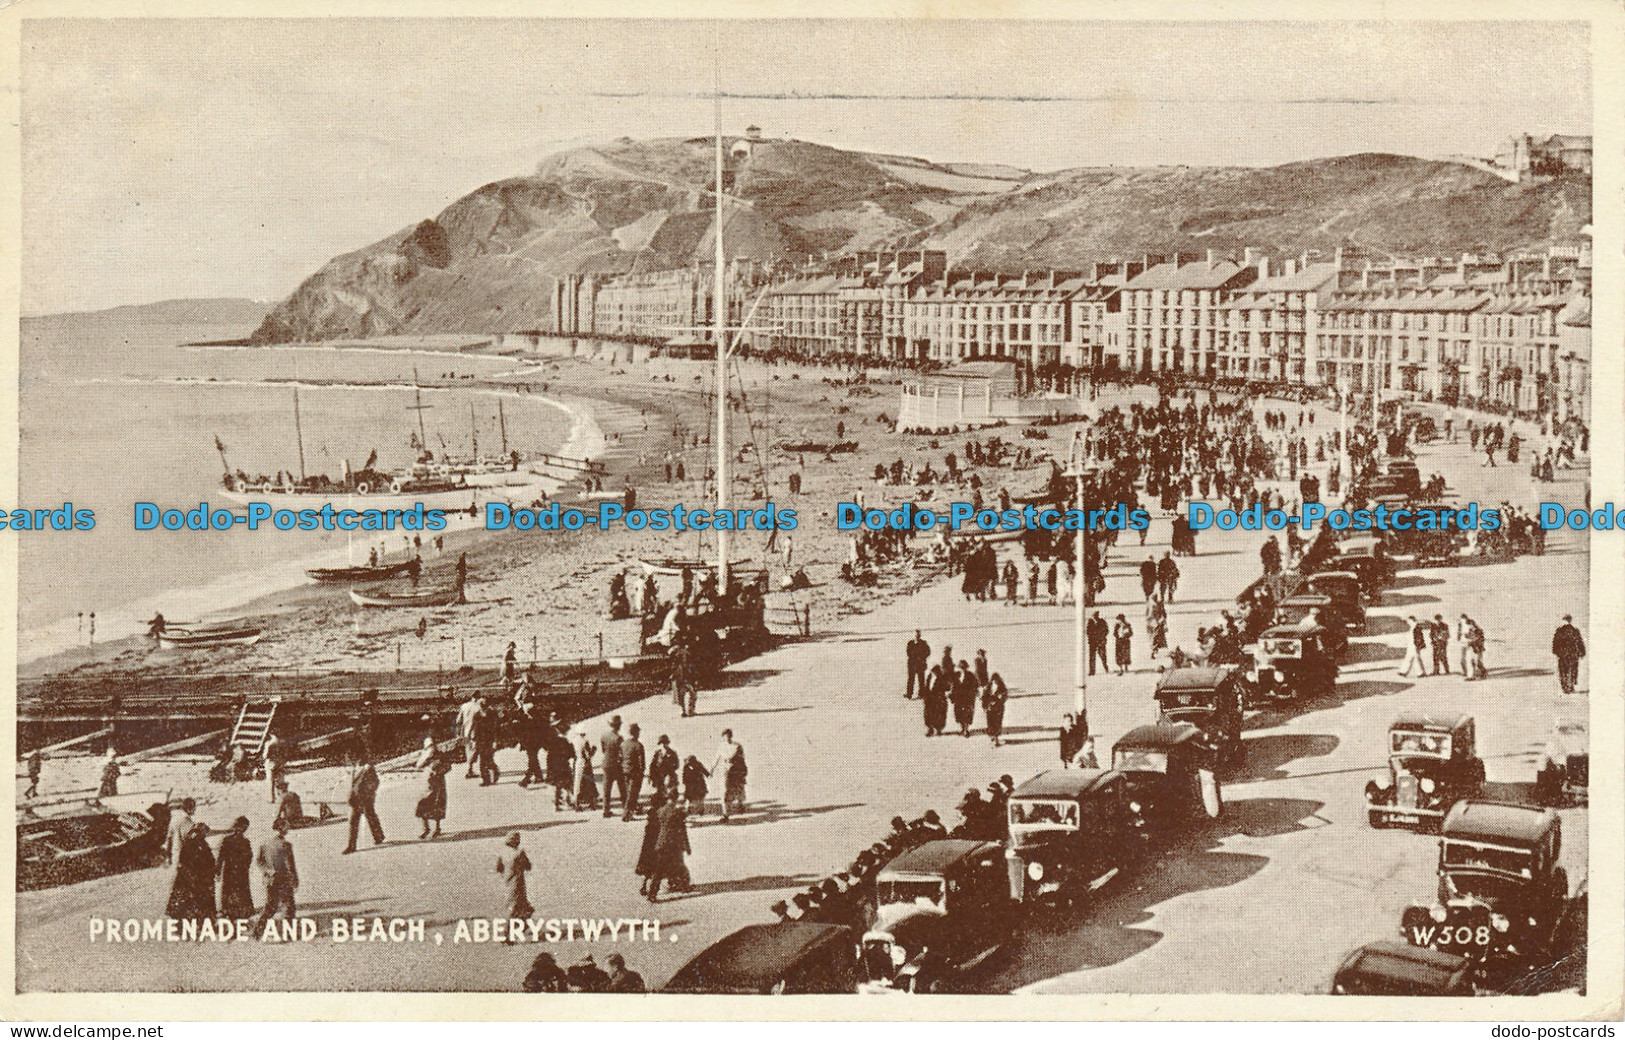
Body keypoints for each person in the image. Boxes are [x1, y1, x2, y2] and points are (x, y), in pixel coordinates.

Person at [255, 816, 298, 935]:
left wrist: (268, 871)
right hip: (283, 879)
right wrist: (294, 879)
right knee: (289, 907)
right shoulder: (286, 845)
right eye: (286, 826)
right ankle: (288, 933)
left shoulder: (265, 843)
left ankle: (258, 930)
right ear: (282, 828)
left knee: (270, 907)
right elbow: (290, 865)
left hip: (270, 880)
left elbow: (259, 861)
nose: (288, 828)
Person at [166, 820, 216, 922]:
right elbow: (184, 861)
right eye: (201, 833)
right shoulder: (192, 845)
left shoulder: (202, 845)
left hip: (199, 877)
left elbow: (210, 860)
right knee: (191, 900)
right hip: (191, 878)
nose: (201, 835)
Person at [647, 796, 691, 902]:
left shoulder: (661, 811)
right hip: (674, 846)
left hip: (661, 844)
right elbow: (682, 832)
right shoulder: (678, 813)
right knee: (679, 866)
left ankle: (652, 892)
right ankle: (684, 885)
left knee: (659, 870)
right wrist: (687, 846)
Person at [342, 756, 385, 854]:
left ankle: (378, 836)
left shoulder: (368, 768)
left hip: (365, 799)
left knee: (369, 817)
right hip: (356, 799)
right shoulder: (355, 768)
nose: (356, 760)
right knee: (356, 820)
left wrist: (368, 794)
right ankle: (352, 845)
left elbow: (375, 782)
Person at [216, 816, 255, 919]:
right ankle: (235, 910)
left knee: (233, 890)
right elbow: (221, 856)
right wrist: (218, 870)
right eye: (243, 827)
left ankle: (231, 910)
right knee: (235, 890)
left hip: (235, 870)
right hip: (236, 871)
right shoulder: (239, 841)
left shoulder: (232, 840)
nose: (242, 830)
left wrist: (219, 870)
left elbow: (249, 856)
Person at [496, 832, 534, 924]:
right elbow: (528, 866)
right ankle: (507, 934)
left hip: (508, 883)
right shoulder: (519, 853)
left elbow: (499, 868)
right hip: (518, 884)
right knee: (518, 909)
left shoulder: (503, 853)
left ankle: (522, 927)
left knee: (524, 908)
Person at [415, 737, 449, 839]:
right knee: (424, 804)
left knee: (436, 805)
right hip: (428, 784)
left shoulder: (440, 755)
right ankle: (427, 829)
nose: (432, 748)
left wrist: (439, 771)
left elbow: (448, 766)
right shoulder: (427, 755)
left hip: (437, 784)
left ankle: (435, 829)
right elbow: (419, 765)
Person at [712, 729, 747, 822]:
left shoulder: (737, 746)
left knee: (739, 789)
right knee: (725, 792)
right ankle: (725, 814)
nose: (726, 738)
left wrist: (743, 772)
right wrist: (712, 769)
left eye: (728, 736)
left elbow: (742, 759)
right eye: (724, 736)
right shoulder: (722, 747)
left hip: (736, 771)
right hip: (725, 771)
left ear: (730, 736)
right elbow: (717, 758)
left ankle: (740, 804)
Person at [600, 716, 626, 818]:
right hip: (616, 765)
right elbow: (622, 753)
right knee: (622, 787)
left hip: (606, 764)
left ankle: (605, 810)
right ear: (618, 726)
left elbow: (603, 750)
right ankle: (625, 807)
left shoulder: (604, 736)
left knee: (607, 788)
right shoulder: (619, 738)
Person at [1552, 615, 1586, 695]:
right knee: (1573, 669)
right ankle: (1570, 685)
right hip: (1573, 654)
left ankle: (1565, 686)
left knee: (1563, 670)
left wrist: (1557, 652)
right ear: (1570, 620)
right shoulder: (1574, 630)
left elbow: (1555, 643)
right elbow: (1579, 642)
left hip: (1563, 655)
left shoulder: (1559, 631)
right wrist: (1582, 652)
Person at [621, 723, 647, 822]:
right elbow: (642, 763)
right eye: (638, 732)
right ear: (635, 733)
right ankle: (627, 814)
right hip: (635, 773)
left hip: (624, 772)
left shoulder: (623, 744)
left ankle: (633, 810)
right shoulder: (638, 745)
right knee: (633, 794)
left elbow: (620, 758)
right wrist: (642, 773)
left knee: (628, 793)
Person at [571, 728, 598, 811]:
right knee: (589, 782)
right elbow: (588, 754)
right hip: (584, 762)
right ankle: (591, 802)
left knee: (578, 782)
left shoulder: (574, 740)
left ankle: (576, 802)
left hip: (577, 762)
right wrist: (594, 750)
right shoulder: (584, 741)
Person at [950, 660, 979, 737]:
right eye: (961, 667)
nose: (962, 669)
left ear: (966, 668)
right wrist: (952, 695)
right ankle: (962, 728)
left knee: (967, 714)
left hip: (968, 698)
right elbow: (953, 686)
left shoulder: (971, 675)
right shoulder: (956, 675)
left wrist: (974, 693)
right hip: (958, 698)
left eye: (964, 667)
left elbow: (975, 685)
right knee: (959, 713)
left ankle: (966, 730)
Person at [457, 691, 482, 779]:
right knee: (475, 749)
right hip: (474, 731)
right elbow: (483, 718)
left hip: (465, 731)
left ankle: (470, 769)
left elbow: (458, 720)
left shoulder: (464, 706)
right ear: (478, 697)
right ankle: (470, 770)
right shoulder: (478, 707)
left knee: (468, 750)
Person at [166, 797, 197, 865]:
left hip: (174, 855)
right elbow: (191, 839)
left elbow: (169, 839)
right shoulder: (187, 821)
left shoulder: (173, 819)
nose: (194, 811)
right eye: (194, 809)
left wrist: (168, 857)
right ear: (189, 809)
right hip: (184, 857)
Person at [923, 663, 950, 738]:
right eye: (933, 672)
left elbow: (948, 687)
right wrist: (925, 696)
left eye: (936, 672)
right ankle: (930, 729)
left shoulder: (943, 678)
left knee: (940, 714)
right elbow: (926, 687)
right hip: (930, 698)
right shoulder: (929, 677)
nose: (935, 673)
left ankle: (939, 729)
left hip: (939, 698)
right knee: (928, 714)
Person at [982, 674, 1008, 747]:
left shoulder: (1002, 688)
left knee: (997, 724)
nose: (995, 682)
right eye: (993, 681)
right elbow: (984, 697)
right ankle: (993, 737)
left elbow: (1004, 696)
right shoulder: (988, 688)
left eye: (996, 681)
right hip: (990, 709)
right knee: (990, 724)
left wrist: (998, 701)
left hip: (998, 709)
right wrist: (985, 706)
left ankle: (996, 739)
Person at [904, 630, 930, 700]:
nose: (917, 636)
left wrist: (921, 658)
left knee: (921, 679)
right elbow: (908, 652)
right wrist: (916, 656)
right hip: (912, 664)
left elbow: (928, 652)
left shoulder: (923, 643)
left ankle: (921, 693)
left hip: (920, 664)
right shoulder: (910, 643)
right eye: (916, 635)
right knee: (911, 679)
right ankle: (909, 694)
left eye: (918, 635)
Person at [263, 733, 287, 804]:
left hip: (271, 763)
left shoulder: (269, 744)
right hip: (280, 762)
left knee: (271, 781)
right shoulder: (282, 742)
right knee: (280, 781)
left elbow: (265, 755)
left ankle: (272, 798)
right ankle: (283, 798)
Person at [1087, 611, 1109, 676]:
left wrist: (1102, 637)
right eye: (1094, 616)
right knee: (1092, 657)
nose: (1095, 617)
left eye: (1096, 615)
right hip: (1093, 642)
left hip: (1100, 641)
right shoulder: (1090, 622)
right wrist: (1092, 637)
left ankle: (1105, 668)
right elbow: (1088, 632)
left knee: (1103, 655)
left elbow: (1106, 630)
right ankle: (1092, 671)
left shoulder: (1102, 622)